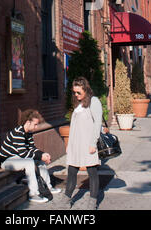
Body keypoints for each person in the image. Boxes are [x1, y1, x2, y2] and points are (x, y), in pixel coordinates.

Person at [0, 109, 61, 203]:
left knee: (39, 161)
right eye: (35, 124)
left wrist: (43, 154)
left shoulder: (29, 133)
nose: (36, 127)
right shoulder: (18, 133)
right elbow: (24, 154)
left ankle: (48, 187)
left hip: (17, 158)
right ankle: (33, 194)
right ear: (28, 122)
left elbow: (32, 148)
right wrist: (40, 156)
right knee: (30, 162)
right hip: (7, 161)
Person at [60, 77, 103, 210]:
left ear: (86, 89)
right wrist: (69, 145)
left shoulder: (94, 101)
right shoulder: (78, 105)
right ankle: (66, 200)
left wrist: (93, 143)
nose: (76, 95)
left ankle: (92, 202)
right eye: (74, 92)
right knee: (71, 172)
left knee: (92, 173)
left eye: (79, 92)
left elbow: (97, 124)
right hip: (75, 145)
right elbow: (74, 127)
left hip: (88, 144)